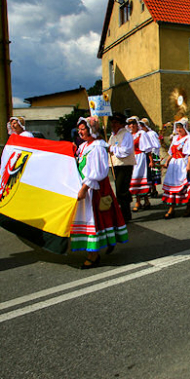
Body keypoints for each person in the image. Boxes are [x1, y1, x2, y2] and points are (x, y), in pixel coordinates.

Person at [70, 116, 128, 269]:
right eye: (80, 129)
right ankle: (107, 242)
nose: (81, 132)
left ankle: (93, 255)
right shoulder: (85, 146)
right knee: (102, 219)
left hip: (95, 189)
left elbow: (98, 172)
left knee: (95, 220)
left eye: (84, 129)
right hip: (89, 187)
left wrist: (84, 188)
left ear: (92, 130)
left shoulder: (97, 147)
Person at [162, 119, 190, 219]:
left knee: (185, 187)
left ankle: (188, 207)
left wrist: (188, 165)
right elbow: (171, 152)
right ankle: (171, 209)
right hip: (174, 165)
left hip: (183, 163)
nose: (179, 130)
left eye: (181, 127)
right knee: (172, 187)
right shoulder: (175, 138)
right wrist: (167, 162)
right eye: (177, 127)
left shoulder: (189, 139)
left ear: (185, 128)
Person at [108, 112, 135, 222]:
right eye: (112, 122)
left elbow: (126, 151)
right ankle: (125, 212)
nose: (113, 125)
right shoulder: (113, 135)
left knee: (121, 190)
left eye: (115, 123)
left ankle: (125, 215)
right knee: (120, 190)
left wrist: (113, 149)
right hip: (115, 164)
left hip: (124, 165)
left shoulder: (126, 134)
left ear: (121, 124)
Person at [127, 116, 154, 212]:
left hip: (141, 158)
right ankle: (139, 200)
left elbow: (147, 148)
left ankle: (144, 200)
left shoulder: (141, 133)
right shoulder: (129, 135)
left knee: (141, 179)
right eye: (130, 124)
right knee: (134, 181)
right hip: (132, 159)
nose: (132, 126)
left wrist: (151, 160)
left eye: (134, 123)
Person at [142, 119, 162, 197]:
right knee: (148, 173)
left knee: (153, 172)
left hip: (153, 155)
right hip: (146, 155)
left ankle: (154, 189)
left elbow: (156, 145)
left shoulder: (151, 134)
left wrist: (152, 153)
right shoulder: (143, 134)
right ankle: (149, 189)